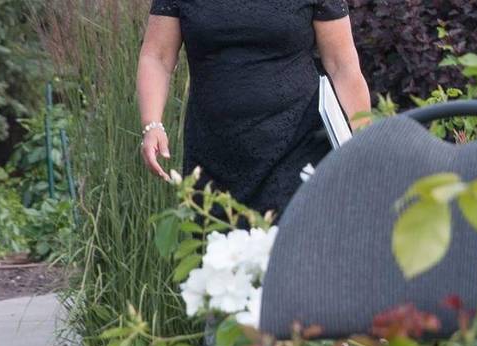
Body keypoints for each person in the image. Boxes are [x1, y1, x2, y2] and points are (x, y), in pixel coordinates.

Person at [138, 0, 371, 218]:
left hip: (298, 147)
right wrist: (152, 124)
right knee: (216, 253)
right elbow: (157, 56)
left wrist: (368, 141)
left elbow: (343, 66)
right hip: (214, 154)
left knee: (290, 252)